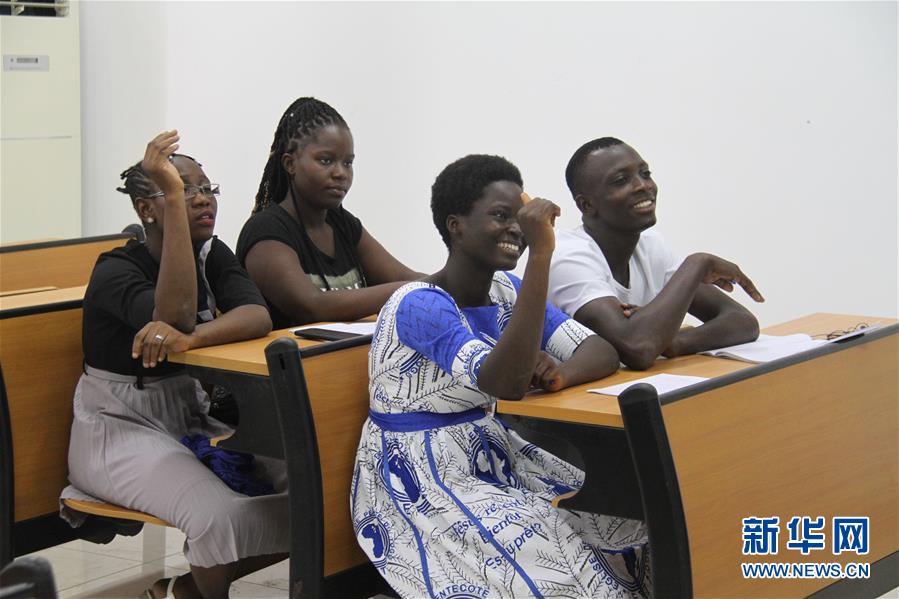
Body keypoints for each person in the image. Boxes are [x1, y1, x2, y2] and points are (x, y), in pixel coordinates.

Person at [351, 154, 650, 598]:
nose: (517, 230)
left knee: (623, 525)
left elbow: (600, 350)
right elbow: (505, 384)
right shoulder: (420, 303)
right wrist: (542, 253)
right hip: (421, 477)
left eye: (521, 219)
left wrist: (559, 374)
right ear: (456, 226)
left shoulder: (504, 289)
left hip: (490, 454)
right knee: (558, 564)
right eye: (500, 216)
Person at [60, 131, 288, 599]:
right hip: (117, 429)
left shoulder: (212, 254)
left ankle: (187, 590)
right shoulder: (115, 270)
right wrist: (185, 329)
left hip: (187, 415)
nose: (202, 199)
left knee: (315, 488)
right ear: (146, 209)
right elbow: (175, 314)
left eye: (207, 188)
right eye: (183, 190)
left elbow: (256, 314)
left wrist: (193, 340)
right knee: (218, 515)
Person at [550, 137, 764, 370]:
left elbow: (742, 321)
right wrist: (698, 263)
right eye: (621, 181)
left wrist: (673, 342)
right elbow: (638, 348)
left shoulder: (651, 245)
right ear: (587, 205)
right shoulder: (568, 256)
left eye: (645, 174)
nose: (643, 186)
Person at [236, 97, 422, 328]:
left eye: (348, 163)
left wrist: (450, 282)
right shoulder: (266, 231)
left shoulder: (342, 223)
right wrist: (413, 289)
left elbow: (402, 276)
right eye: (326, 160)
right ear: (290, 164)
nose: (340, 173)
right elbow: (312, 306)